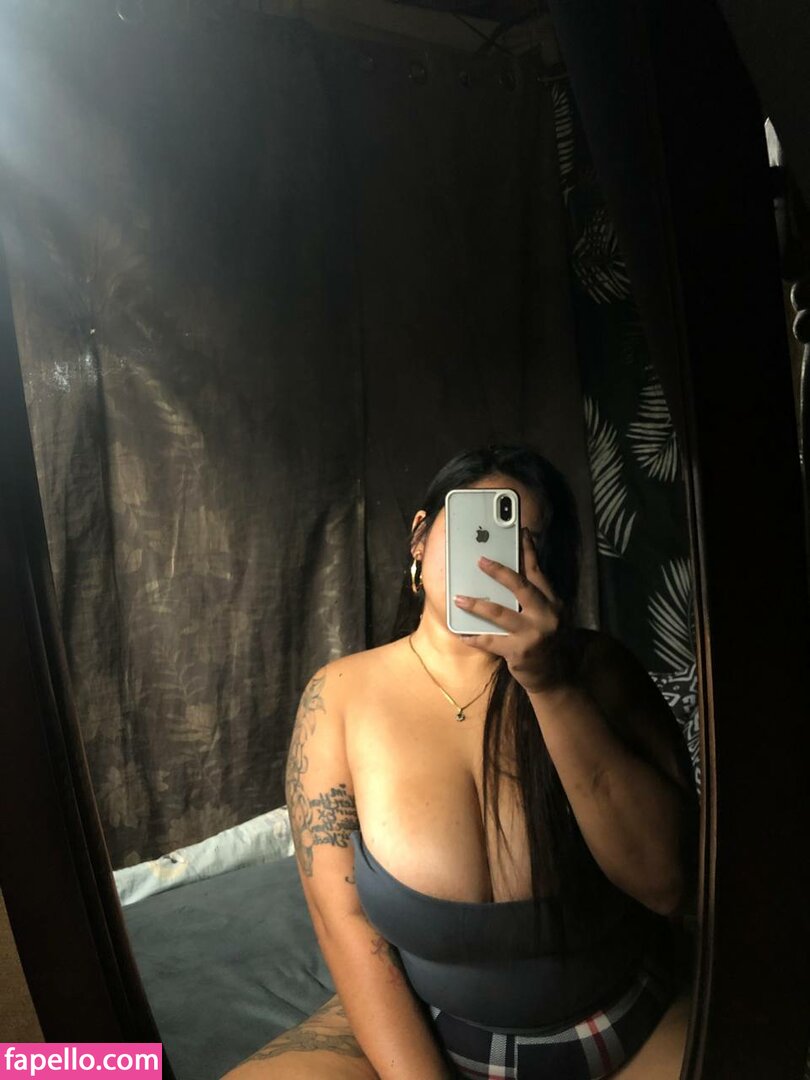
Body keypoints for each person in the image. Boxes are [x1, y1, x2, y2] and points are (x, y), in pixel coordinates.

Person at [221, 444, 699, 1080]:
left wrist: (549, 684)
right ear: (420, 538)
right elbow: (345, 924)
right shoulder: (338, 697)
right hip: (435, 1027)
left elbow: (668, 886)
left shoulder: (600, 672)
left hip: (627, 1023)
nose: (498, 560)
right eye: (482, 529)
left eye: (529, 543)